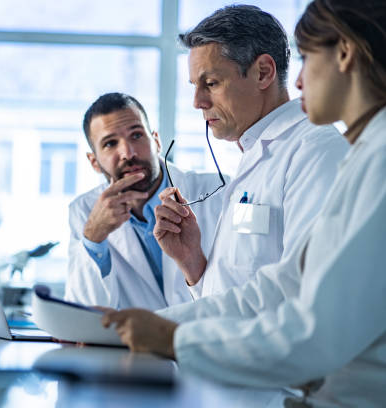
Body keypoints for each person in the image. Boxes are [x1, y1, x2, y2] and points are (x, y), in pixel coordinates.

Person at [103, 0, 386, 406]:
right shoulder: (266, 156)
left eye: (211, 83)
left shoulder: (329, 153)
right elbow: (276, 284)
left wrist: (175, 339)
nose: (301, 79)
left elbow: (312, 324)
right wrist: (181, 292)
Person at [152, 5, 349, 299]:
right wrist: (193, 263)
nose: (197, 102)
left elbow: (308, 296)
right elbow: (239, 289)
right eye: (195, 86)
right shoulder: (256, 155)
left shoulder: (315, 152)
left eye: (211, 83)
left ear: (263, 73)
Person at [65, 92, 226, 310]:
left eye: (137, 136)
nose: (128, 153)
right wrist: (94, 238)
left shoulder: (218, 193)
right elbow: (82, 316)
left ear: (156, 141)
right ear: (94, 161)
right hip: (133, 344)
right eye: (110, 143)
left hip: (204, 339)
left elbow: (241, 293)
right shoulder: (83, 212)